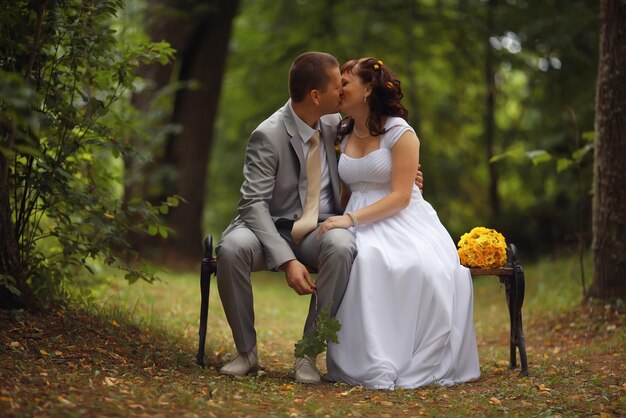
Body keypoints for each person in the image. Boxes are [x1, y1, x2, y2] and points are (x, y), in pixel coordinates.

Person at [320, 58, 480, 390]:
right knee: (360, 258)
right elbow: (347, 186)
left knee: (406, 264)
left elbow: (401, 197)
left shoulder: (399, 132)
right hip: (356, 217)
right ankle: (361, 359)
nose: (338, 89)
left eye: (345, 83)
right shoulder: (341, 129)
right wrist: (341, 218)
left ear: (367, 89)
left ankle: (399, 355)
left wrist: (349, 219)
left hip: (400, 217)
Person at [216, 52, 361, 384]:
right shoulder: (268, 135)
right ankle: (246, 353)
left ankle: (308, 353)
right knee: (230, 249)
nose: (342, 90)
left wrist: (403, 175)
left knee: (341, 245)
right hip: (269, 225)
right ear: (315, 96)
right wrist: (285, 261)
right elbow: (252, 204)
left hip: (320, 227)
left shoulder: (334, 124)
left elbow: (371, 147)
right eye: (337, 85)